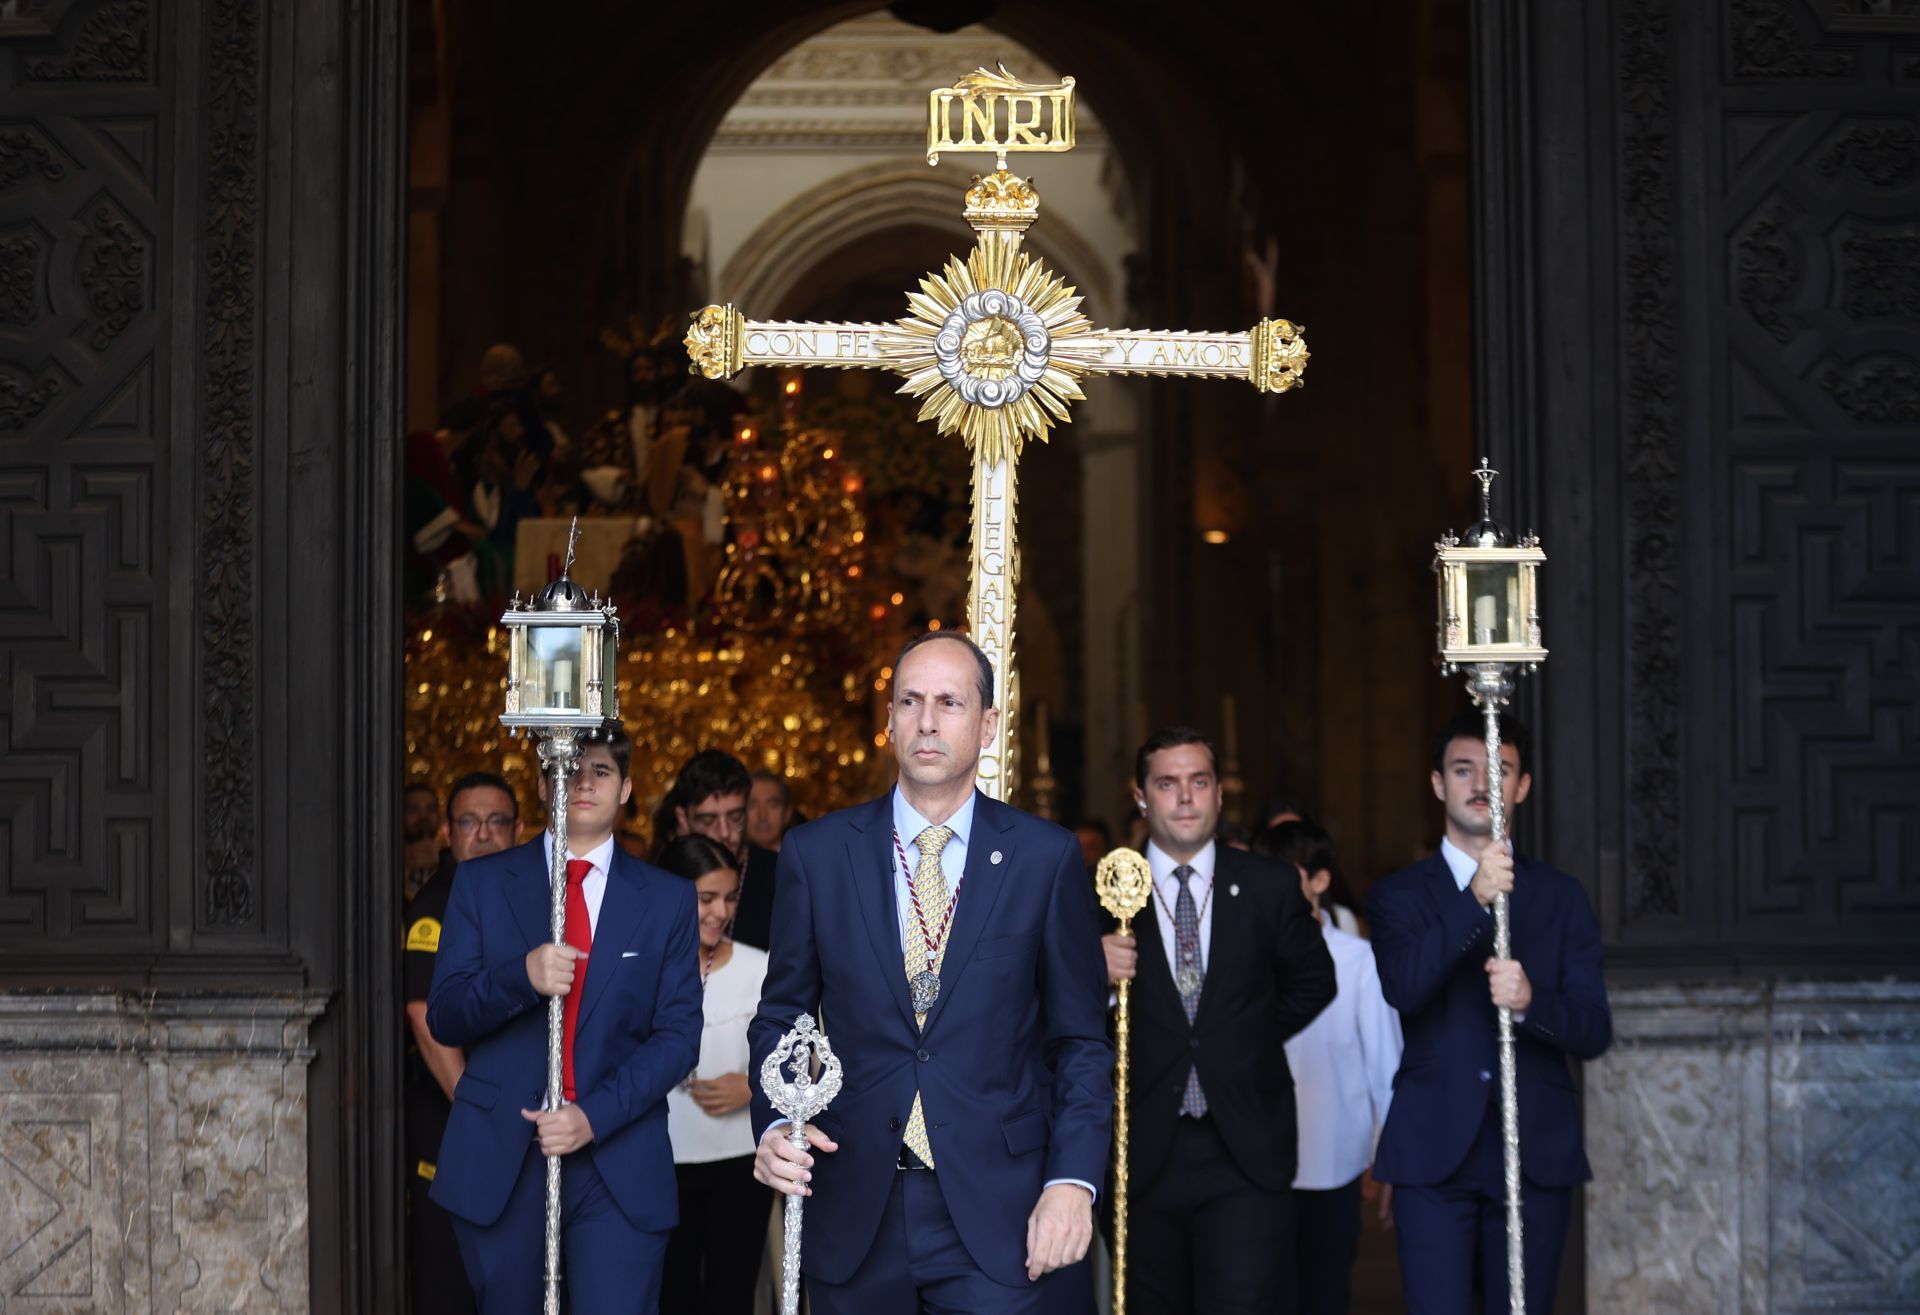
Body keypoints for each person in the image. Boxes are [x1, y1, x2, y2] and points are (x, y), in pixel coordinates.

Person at [748, 631, 1113, 1313]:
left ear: (988, 724)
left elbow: (1080, 1043)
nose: (926, 720)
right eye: (909, 700)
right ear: (887, 721)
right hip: (855, 1196)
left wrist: (1072, 1179)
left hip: (1000, 1207)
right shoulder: (818, 854)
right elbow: (783, 1016)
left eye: (950, 701)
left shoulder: (1045, 858)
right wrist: (774, 1123)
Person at [427, 723, 704, 1314]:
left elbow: (678, 1039)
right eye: (567, 769)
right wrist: (519, 978)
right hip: (503, 1157)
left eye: (600, 771)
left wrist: (590, 1117)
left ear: (626, 788)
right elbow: (446, 1015)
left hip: (617, 1158)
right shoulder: (480, 884)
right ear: (540, 779)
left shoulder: (667, 899)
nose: (581, 782)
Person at [1366, 711, 1612, 1315]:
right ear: (1437, 783)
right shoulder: (1399, 895)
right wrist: (1474, 897)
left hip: (1534, 1149)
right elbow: (1404, 987)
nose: (1481, 783)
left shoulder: (1561, 896)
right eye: (1463, 769)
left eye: (1499, 770)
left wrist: (1532, 1005)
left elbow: (1593, 1029)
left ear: (1523, 786)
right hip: (1434, 1149)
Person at [1098, 728, 1336, 1315]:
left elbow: (1315, 982)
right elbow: (1050, 1010)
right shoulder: (1099, 892)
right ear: (1141, 797)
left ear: (1219, 795)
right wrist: (1091, 977)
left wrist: (1244, 1038)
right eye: (1168, 784)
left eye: (1199, 782)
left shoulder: (1267, 884)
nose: (1185, 798)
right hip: (1141, 1147)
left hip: (1244, 1148)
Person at [1263, 820, 1403, 1315]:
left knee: (1325, 1295)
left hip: (1335, 1161)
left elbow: (1385, 1064)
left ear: (1320, 881)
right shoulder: (1248, 955)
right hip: (1259, 1162)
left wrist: (1386, 1161)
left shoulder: (1359, 960)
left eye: (1287, 875)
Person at [404, 772, 520, 1314]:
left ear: (519, 829)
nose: (484, 834)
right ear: (449, 833)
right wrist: (477, 1111)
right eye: (469, 822)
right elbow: (424, 1017)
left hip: (523, 1125)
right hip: (458, 1125)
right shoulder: (435, 906)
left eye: (497, 822)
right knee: (452, 1283)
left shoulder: (535, 895)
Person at [656, 834, 771, 1315]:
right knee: (671, 1294)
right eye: (706, 898)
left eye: (729, 898)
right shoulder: (646, 970)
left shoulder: (760, 967)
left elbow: (804, 1060)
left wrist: (752, 1086)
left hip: (742, 1162)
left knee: (732, 1296)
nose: (720, 912)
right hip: (663, 1159)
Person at [656, 750, 780, 952]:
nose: (724, 832)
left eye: (735, 817)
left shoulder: (779, 876)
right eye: (708, 820)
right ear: (683, 818)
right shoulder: (661, 879)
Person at [1254, 822, 1362, 935]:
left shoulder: (1355, 951)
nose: (1268, 886)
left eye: (1282, 877)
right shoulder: (1247, 944)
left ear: (1320, 881)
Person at [404, 782, 444, 902]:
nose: (423, 817)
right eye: (414, 809)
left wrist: (444, 864)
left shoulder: (451, 860)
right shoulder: (385, 862)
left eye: (430, 809)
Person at [746, 770, 795, 853]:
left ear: (787, 813)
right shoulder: (726, 863)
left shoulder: (806, 861)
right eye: (752, 806)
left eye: (772, 806)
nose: (762, 816)